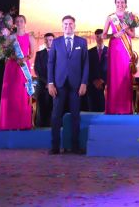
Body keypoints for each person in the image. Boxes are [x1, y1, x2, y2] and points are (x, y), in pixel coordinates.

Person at [47, 15, 89, 154]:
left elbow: (85, 64)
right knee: (56, 115)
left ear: (74, 26)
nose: (68, 26)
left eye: (70, 24)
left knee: (76, 115)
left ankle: (75, 146)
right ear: (62, 26)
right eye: (65, 24)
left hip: (76, 85)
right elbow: (51, 63)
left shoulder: (82, 42)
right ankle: (55, 146)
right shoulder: (56, 42)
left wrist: (84, 83)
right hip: (59, 84)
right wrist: (50, 83)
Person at [0, 15, 36, 130]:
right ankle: (9, 123)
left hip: (23, 67)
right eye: (17, 21)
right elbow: (5, 51)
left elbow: (32, 54)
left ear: (25, 23)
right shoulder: (11, 37)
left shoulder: (30, 37)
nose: (19, 23)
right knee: (11, 94)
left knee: (22, 94)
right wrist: (15, 57)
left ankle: (23, 123)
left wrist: (24, 59)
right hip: (12, 67)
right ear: (15, 24)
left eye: (21, 21)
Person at [103, 0, 135, 114]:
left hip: (125, 50)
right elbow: (104, 35)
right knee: (114, 76)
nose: (120, 4)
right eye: (118, 2)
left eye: (122, 2)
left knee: (125, 75)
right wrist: (113, 35)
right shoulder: (110, 17)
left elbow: (132, 35)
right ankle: (113, 108)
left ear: (126, 4)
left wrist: (126, 29)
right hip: (115, 48)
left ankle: (125, 109)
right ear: (115, 3)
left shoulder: (130, 17)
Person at [34, 33, 54, 127]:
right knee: (41, 111)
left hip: (55, 87)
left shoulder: (59, 54)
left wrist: (51, 83)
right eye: (46, 40)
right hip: (42, 86)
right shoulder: (39, 54)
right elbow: (37, 70)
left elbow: (61, 70)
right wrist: (47, 82)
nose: (48, 42)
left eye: (50, 40)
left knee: (53, 111)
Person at [86, 29, 107, 112]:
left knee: (104, 109)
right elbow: (87, 68)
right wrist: (94, 81)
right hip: (92, 85)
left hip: (105, 85)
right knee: (92, 109)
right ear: (95, 37)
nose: (99, 38)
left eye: (101, 36)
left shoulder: (110, 51)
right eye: (97, 36)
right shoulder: (89, 52)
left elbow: (111, 68)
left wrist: (102, 80)